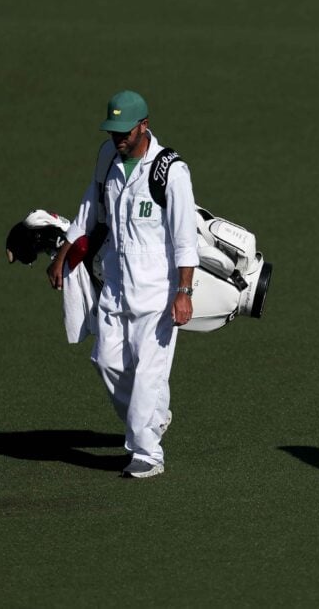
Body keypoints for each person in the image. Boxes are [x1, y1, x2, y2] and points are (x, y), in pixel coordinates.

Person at [47, 90, 199, 479]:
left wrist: (184, 292)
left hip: (157, 294)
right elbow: (90, 209)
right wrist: (64, 254)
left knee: (149, 375)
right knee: (107, 361)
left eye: (125, 131)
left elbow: (185, 239)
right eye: (113, 131)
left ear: (144, 126)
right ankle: (154, 415)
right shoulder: (106, 159)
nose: (119, 138)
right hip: (115, 286)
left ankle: (147, 454)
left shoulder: (170, 172)